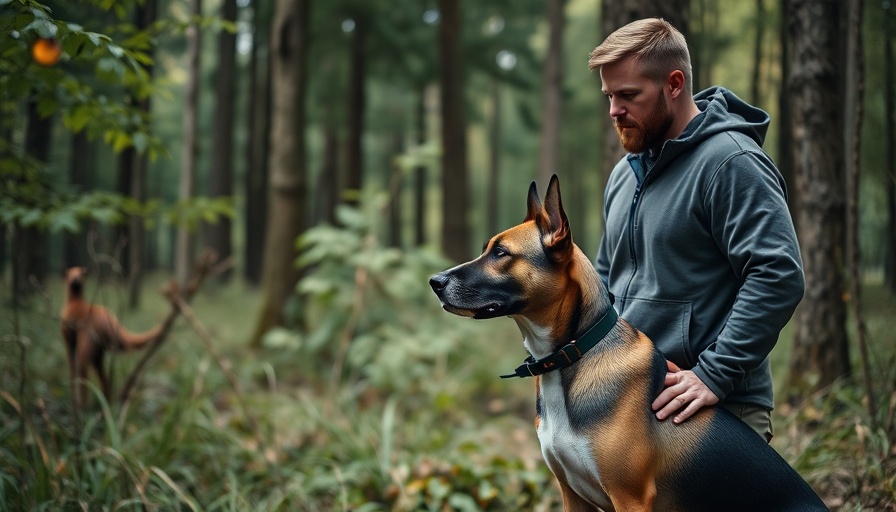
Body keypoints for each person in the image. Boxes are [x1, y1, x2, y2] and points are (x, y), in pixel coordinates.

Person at [589, 18, 804, 442]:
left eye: (628, 95)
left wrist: (713, 373)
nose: (614, 109)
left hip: (718, 408)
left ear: (674, 83)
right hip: (633, 404)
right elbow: (604, 281)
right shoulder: (623, 175)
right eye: (610, 96)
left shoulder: (731, 162)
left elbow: (777, 274)